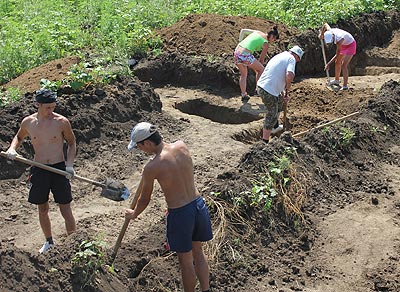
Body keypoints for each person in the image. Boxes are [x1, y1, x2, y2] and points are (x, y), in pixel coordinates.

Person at [125, 122, 213, 292]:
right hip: (198, 206)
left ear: (148, 143)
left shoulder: (151, 167)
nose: (140, 150)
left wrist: (134, 214)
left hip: (181, 214)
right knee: (198, 252)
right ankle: (206, 290)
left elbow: (144, 200)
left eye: (139, 147)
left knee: (186, 262)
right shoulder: (181, 145)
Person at [4, 88, 77, 254]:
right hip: (39, 169)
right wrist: (12, 148)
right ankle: (49, 242)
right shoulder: (28, 122)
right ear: (37, 104)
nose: (51, 111)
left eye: (53, 107)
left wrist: (70, 165)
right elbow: (19, 137)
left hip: (59, 168)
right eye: (47, 107)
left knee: (65, 208)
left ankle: (74, 241)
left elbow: (72, 143)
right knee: (42, 208)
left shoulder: (61, 122)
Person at [256, 45, 304, 143]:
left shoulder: (281, 55)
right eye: (298, 60)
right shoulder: (291, 59)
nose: (297, 62)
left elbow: (276, 74)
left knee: (279, 103)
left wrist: (283, 94)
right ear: (297, 56)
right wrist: (287, 87)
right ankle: (264, 141)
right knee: (272, 114)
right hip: (268, 90)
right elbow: (289, 75)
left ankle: (275, 127)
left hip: (262, 86)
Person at [234, 26, 279, 102]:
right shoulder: (266, 43)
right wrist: (258, 69)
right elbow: (261, 60)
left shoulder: (257, 32)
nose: (272, 41)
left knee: (244, 75)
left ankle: (243, 94)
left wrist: (240, 41)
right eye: (274, 40)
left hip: (237, 52)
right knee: (261, 70)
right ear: (272, 36)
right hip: (245, 55)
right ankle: (258, 90)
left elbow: (243, 31)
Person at [319, 23, 356, 90]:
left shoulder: (339, 39)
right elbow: (325, 24)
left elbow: (337, 54)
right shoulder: (329, 30)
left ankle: (345, 86)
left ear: (333, 37)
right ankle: (337, 80)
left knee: (344, 65)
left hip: (351, 45)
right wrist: (322, 34)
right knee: (337, 62)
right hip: (344, 44)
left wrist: (328, 64)